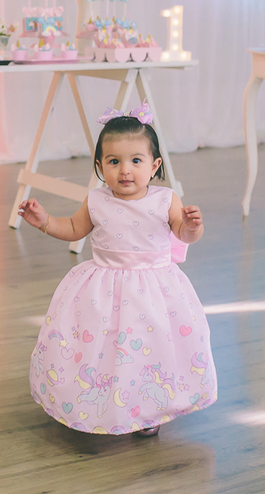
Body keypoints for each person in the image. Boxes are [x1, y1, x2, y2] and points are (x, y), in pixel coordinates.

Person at [18, 103, 217, 437]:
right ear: (99, 166)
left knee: (148, 347)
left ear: (154, 166)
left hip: (153, 289)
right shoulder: (97, 200)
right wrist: (45, 222)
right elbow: (73, 228)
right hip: (103, 289)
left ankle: (149, 409)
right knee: (104, 349)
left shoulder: (166, 199)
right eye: (114, 162)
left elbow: (183, 234)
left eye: (136, 161)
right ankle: (96, 403)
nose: (125, 171)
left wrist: (193, 226)